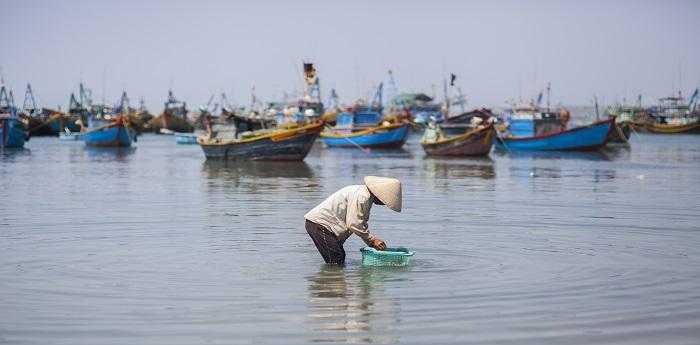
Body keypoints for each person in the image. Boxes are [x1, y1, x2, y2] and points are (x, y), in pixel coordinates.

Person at [304, 176, 402, 265]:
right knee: (336, 260)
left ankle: (331, 281)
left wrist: (370, 242)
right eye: (385, 201)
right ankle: (331, 281)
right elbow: (354, 224)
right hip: (320, 225)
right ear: (380, 195)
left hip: (323, 227)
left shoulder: (364, 194)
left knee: (338, 258)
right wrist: (372, 240)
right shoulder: (362, 197)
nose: (384, 204)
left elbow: (360, 223)